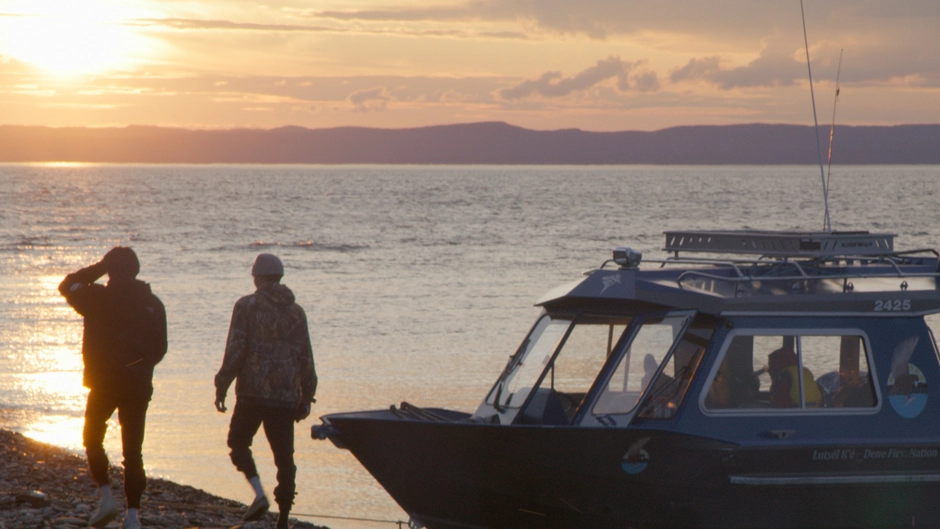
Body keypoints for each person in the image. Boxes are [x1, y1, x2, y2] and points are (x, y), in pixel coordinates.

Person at [58, 247, 167, 529]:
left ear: (111, 271)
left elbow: (66, 284)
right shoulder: (153, 302)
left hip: (103, 382)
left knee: (92, 438)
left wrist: (98, 267)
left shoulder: (96, 297)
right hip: (137, 384)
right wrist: (140, 366)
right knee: (133, 451)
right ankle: (133, 516)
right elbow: (160, 348)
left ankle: (106, 495)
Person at [214, 253, 317, 529]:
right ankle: (282, 519)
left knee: (238, 443)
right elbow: (306, 356)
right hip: (285, 398)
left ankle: (259, 494)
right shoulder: (297, 311)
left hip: (252, 394)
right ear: (280, 277)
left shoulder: (246, 306)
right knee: (285, 458)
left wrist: (221, 384)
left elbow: (236, 350)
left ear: (257, 278)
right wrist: (307, 396)